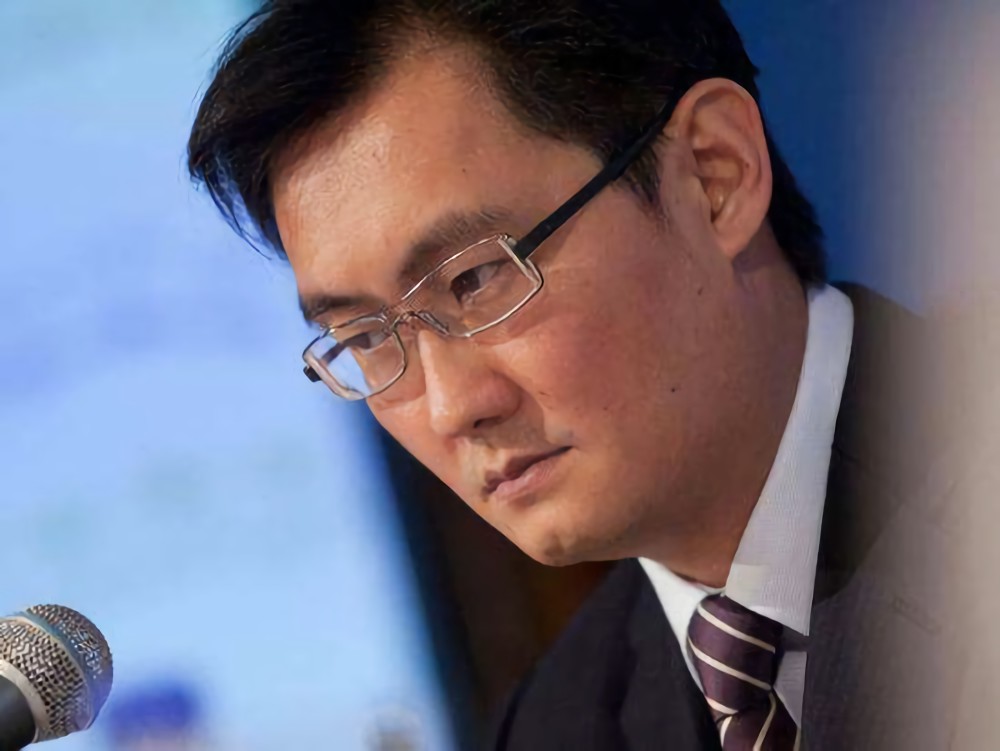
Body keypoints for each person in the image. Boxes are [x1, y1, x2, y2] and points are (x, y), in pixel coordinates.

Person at [186, 1, 952, 748]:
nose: (452, 408)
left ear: (714, 174)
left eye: (477, 277)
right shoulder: (556, 723)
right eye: (363, 336)